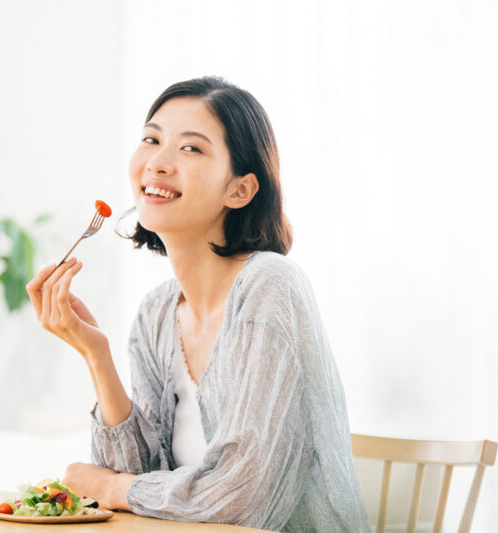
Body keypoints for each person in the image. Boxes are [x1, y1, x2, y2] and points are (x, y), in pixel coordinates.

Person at [25, 76, 370, 532]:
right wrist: (96, 355)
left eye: (191, 149)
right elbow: (141, 474)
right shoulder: (156, 312)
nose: (158, 162)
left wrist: (111, 489)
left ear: (241, 190)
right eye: (151, 139)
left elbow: (242, 498)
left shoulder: (270, 286)